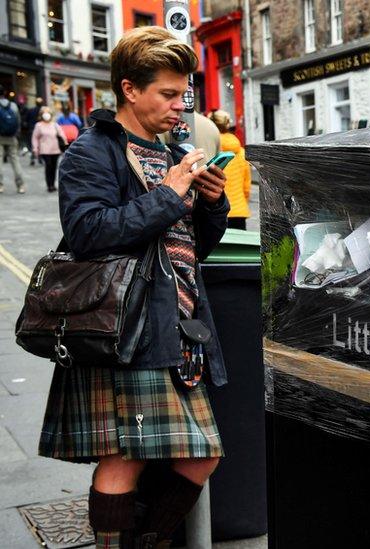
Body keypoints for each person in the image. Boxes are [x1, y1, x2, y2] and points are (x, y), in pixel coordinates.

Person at [38, 26, 230, 549]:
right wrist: (170, 195)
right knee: (126, 456)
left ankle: (145, 540)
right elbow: (88, 234)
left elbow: (187, 250)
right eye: (167, 94)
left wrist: (209, 203)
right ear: (129, 89)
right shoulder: (91, 153)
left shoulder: (170, 154)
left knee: (202, 453)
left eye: (182, 94)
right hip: (125, 327)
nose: (178, 106)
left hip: (177, 322)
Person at [209, 110, 251, 230]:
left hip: (217, 210)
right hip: (239, 211)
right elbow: (246, 186)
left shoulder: (212, 149)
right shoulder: (241, 152)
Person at [31, 107, 66, 192]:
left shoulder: (55, 125)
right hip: (45, 150)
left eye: (48, 112)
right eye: (44, 112)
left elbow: (62, 135)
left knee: (54, 167)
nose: (46, 114)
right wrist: (35, 148)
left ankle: (53, 184)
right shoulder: (38, 125)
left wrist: (65, 144)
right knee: (48, 166)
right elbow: (35, 137)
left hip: (55, 150)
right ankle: (49, 185)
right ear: (41, 114)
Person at [0, 88, 26, 194]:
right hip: (12, 137)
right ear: (5, 93)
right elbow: (18, 120)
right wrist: (16, 133)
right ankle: (21, 185)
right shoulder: (13, 105)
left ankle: (0, 185)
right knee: (15, 161)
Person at [25, 97, 45, 166]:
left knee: (33, 145)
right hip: (41, 130)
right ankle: (40, 158)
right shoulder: (43, 111)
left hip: (32, 129)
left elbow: (26, 119)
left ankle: (33, 158)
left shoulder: (31, 110)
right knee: (40, 144)